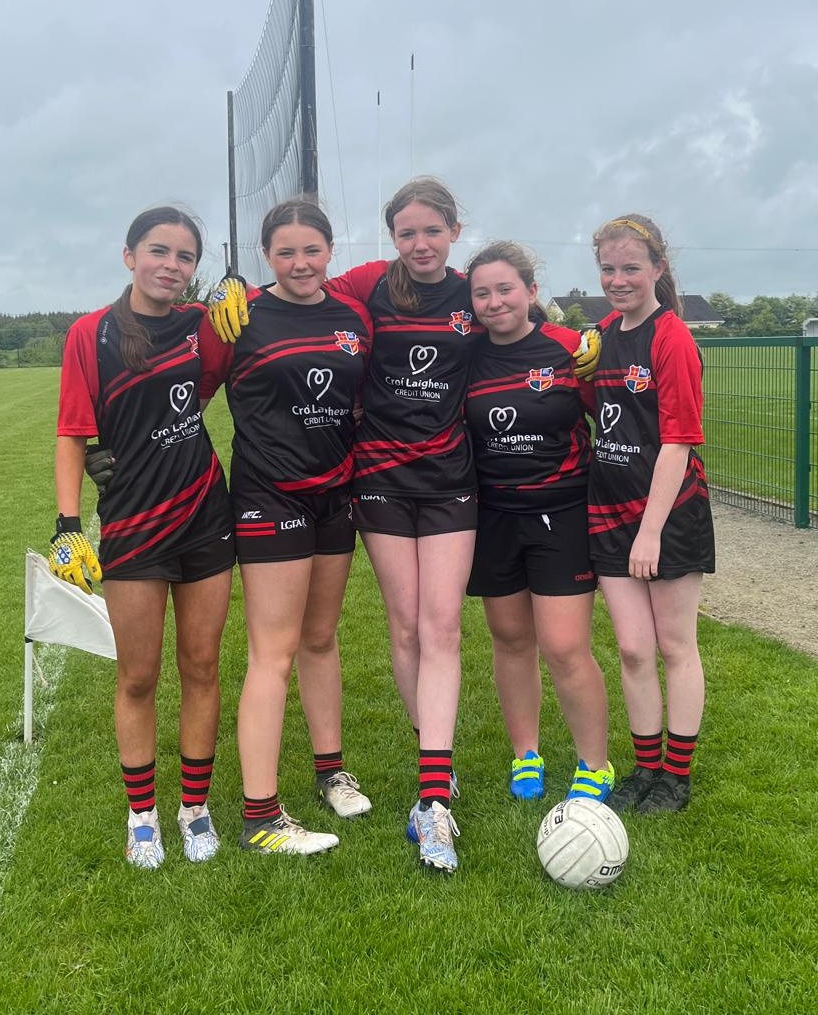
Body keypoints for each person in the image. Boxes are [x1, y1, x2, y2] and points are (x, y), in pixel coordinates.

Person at [50, 205, 234, 869]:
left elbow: (214, 381)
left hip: (206, 515)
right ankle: (142, 816)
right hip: (131, 524)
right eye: (159, 250)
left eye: (186, 257)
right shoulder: (89, 333)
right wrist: (69, 526)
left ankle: (194, 807)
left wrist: (238, 291)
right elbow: (74, 432)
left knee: (202, 666)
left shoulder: (199, 325)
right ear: (129, 255)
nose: (172, 265)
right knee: (137, 675)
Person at [198, 199, 375, 855]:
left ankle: (331, 771)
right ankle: (260, 816)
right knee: (272, 652)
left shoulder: (353, 313)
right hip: (268, 498)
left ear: (330, 250)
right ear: (264, 258)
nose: (300, 263)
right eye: (284, 252)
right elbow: (187, 389)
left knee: (321, 638)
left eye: (311, 249)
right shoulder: (238, 318)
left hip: (336, 497)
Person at [318, 177, 483, 873]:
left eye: (431, 231)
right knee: (407, 623)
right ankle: (432, 752)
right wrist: (230, 296)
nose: (419, 243)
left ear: (453, 231)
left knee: (443, 624)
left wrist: (580, 338)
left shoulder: (472, 292)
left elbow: (526, 323)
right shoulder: (367, 283)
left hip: (450, 481)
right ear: (392, 238)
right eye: (406, 232)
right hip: (380, 479)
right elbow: (298, 291)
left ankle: (430, 795)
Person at [464, 241, 614, 805]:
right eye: (482, 292)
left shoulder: (571, 350)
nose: (494, 301)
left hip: (562, 512)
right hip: (493, 515)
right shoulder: (468, 355)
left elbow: (619, 415)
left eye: (505, 289)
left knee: (565, 645)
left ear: (531, 291)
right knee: (509, 638)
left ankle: (593, 764)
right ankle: (526, 753)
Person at [588, 214, 715, 814]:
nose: (618, 280)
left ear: (658, 270)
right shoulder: (603, 332)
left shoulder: (671, 337)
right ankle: (643, 767)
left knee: (673, 646)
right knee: (633, 650)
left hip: (668, 516)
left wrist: (651, 532)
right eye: (608, 269)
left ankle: (676, 776)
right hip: (608, 512)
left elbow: (678, 440)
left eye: (631, 268)